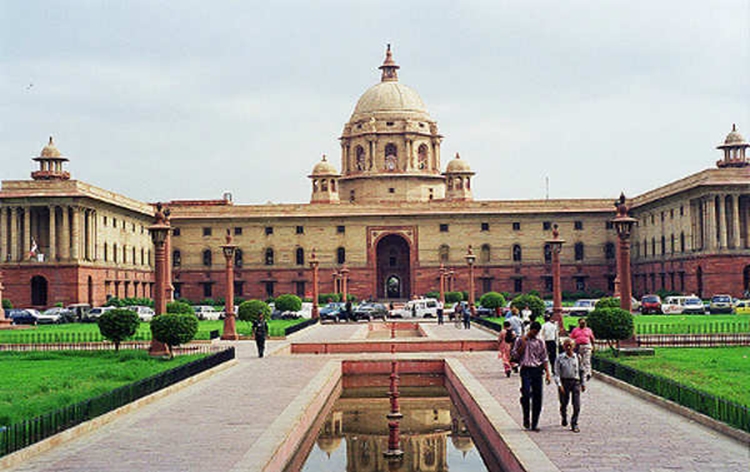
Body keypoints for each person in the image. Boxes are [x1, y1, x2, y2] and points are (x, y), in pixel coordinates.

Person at [511, 321, 551, 431]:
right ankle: (526, 418)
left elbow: (544, 358)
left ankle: (534, 423)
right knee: (526, 394)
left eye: (537, 332)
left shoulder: (540, 341)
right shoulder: (520, 340)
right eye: (534, 331)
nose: (535, 334)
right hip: (526, 369)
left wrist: (547, 373)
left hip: (537, 370)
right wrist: (523, 345)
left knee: (538, 397)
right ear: (530, 330)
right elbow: (514, 355)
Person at [554, 338, 586, 433]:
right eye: (566, 345)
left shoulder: (577, 357)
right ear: (563, 347)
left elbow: (581, 370)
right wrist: (559, 385)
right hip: (564, 382)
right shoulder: (560, 358)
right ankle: (564, 416)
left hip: (575, 382)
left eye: (570, 345)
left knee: (576, 404)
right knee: (564, 403)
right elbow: (556, 373)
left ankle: (574, 423)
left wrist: (583, 383)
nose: (568, 347)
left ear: (574, 346)